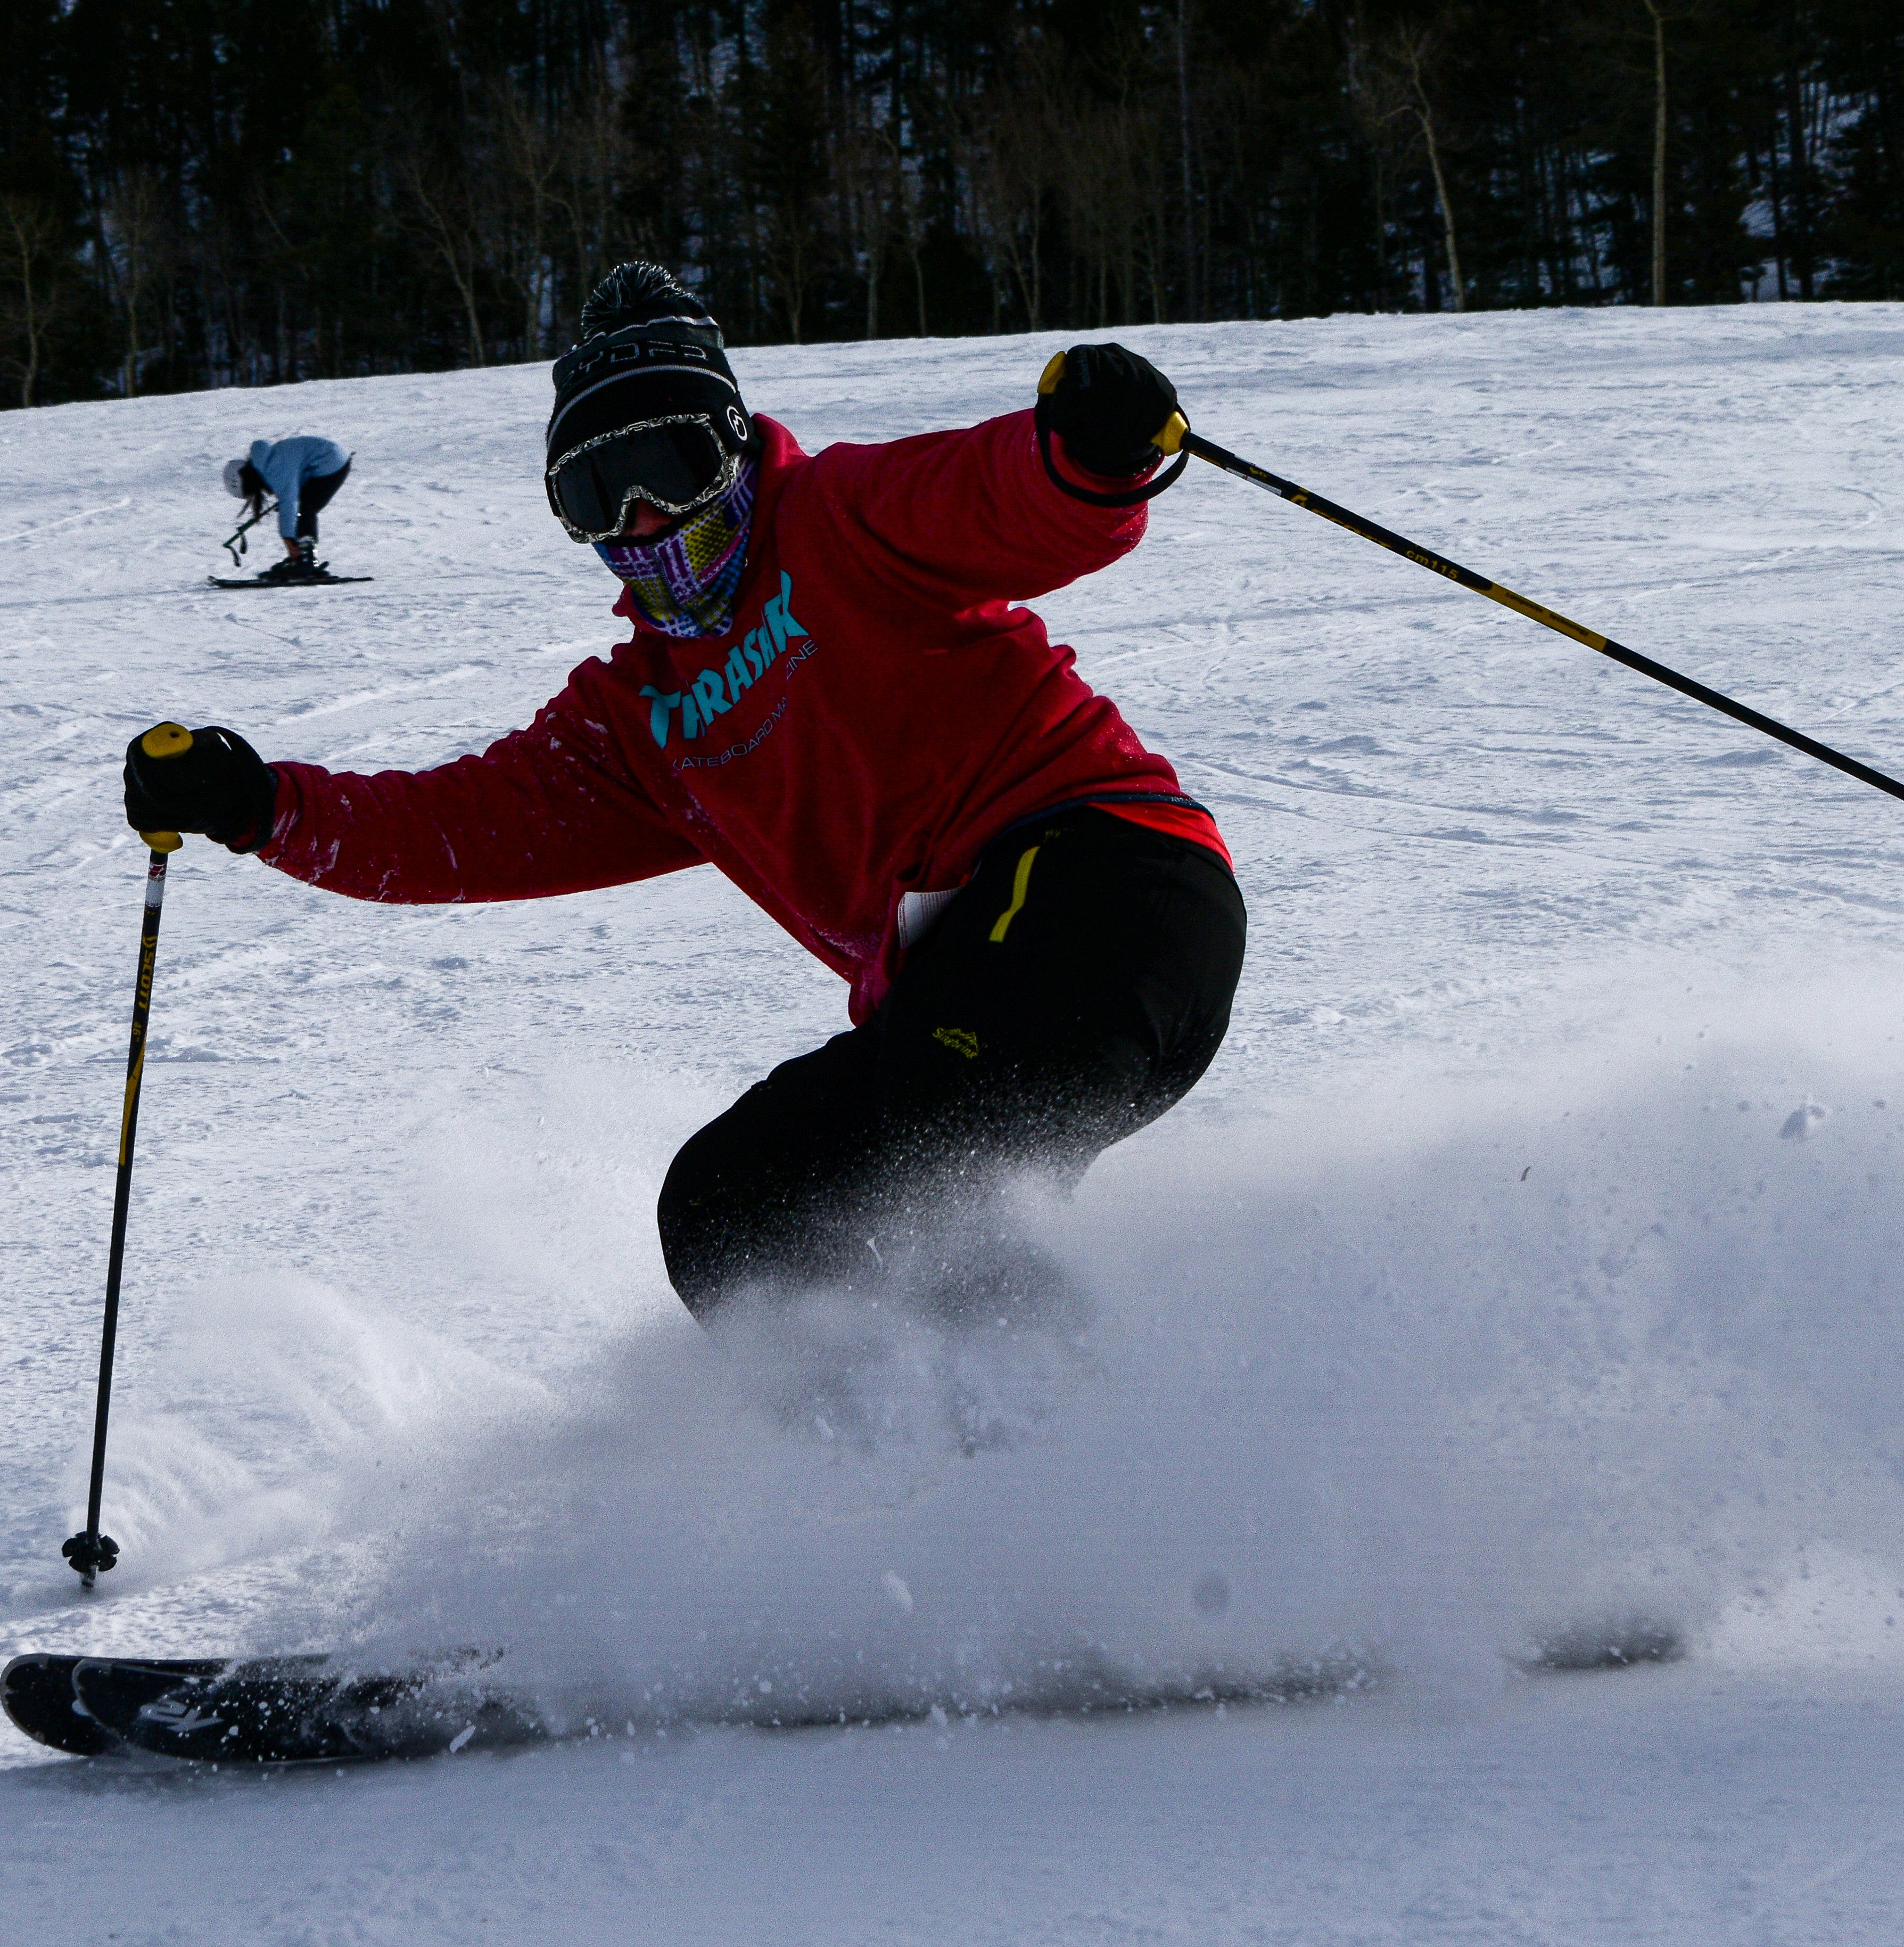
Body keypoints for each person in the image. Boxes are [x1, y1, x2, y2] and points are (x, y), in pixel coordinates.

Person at [128, 262, 1244, 1328]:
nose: (646, 519)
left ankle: (1076, 1432)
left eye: (668, 463)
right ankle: (929, 1466)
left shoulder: (839, 516)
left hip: (1104, 887)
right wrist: (258, 804)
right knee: (733, 1208)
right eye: (598, 494)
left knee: (933, 1178)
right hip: (983, 984)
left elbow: (994, 496)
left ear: (733, 444)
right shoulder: (639, 720)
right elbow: (456, 827)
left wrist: (1080, 455)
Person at [225, 436, 351, 581]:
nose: (261, 493)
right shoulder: (266, 463)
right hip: (331, 459)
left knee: (305, 509)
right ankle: (301, 557)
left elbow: (289, 503)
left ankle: (306, 562)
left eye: (252, 490)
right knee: (302, 508)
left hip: (331, 462)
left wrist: (288, 538)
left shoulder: (274, 469)